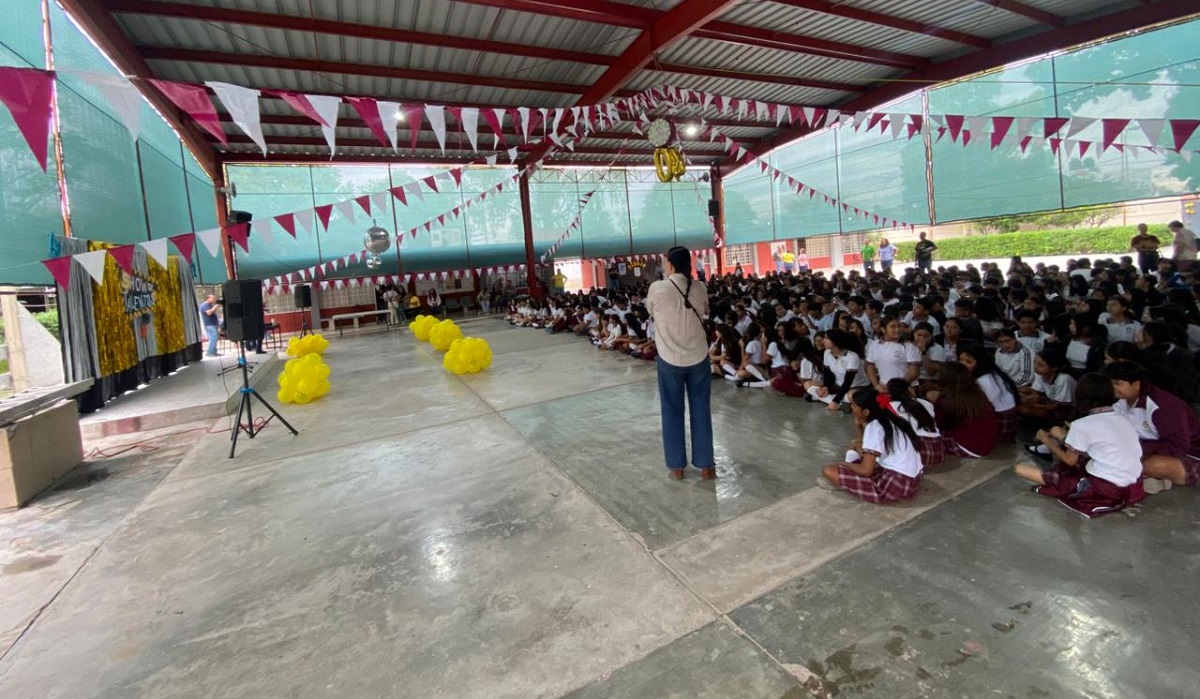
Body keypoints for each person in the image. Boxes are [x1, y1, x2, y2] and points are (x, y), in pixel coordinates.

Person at [1013, 374, 1145, 518]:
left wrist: (1045, 440)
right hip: (1134, 484)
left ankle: (1059, 476)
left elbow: (1070, 460)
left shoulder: (1081, 425)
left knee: (1020, 469)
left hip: (1107, 488)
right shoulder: (1121, 417)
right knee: (1062, 439)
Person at [645, 246, 715, 481]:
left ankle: (677, 468)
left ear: (671, 265)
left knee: (672, 411)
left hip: (669, 359)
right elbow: (705, 310)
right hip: (698, 356)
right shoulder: (700, 287)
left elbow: (651, 311)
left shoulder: (657, 288)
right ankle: (706, 466)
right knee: (701, 410)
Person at [1105, 360, 1200, 492]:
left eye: (1117, 383)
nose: (1112, 388)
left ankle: (1151, 477)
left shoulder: (1165, 407)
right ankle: (1152, 479)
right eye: (1110, 383)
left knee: (1152, 465)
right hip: (1152, 448)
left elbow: (1179, 447)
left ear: (1136, 384)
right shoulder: (1121, 403)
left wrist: (1138, 450)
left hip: (1190, 455)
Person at [818, 388, 923, 504]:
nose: (851, 408)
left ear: (866, 412)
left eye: (853, 406)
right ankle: (847, 480)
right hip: (912, 481)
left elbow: (866, 471)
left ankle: (846, 484)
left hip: (895, 485)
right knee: (855, 445)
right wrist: (859, 427)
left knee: (828, 470)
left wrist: (843, 464)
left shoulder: (875, 426)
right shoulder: (891, 419)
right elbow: (864, 445)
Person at [933, 361, 999, 458]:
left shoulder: (948, 399)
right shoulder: (977, 392)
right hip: (988, 443)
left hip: (969, 447)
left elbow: (939, 424)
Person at [886, 378, 943, 468]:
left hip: (917, 453)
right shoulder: (926, 403)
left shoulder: (889, 407)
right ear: (909, 389)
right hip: (938, 451)